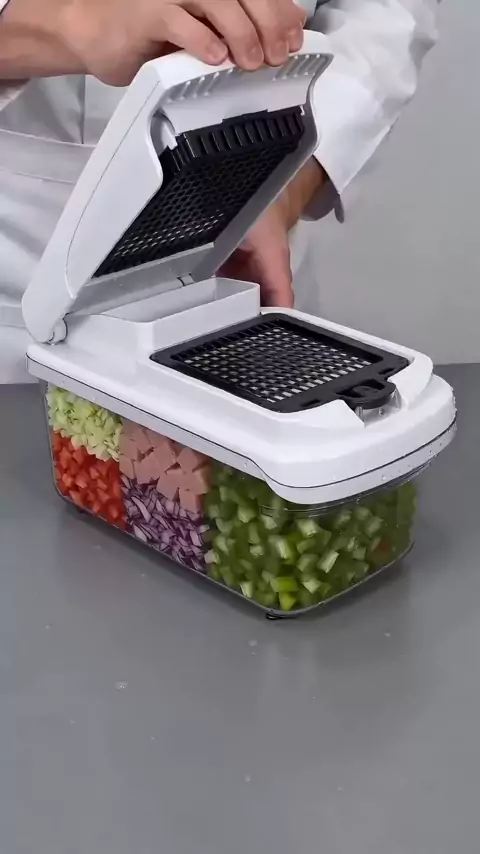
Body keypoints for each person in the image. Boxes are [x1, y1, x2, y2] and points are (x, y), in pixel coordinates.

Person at [0, 0, 440, 382]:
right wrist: (71, 19)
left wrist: (280, 182)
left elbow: (388, 12)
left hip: (239, 254)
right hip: (15, 272)